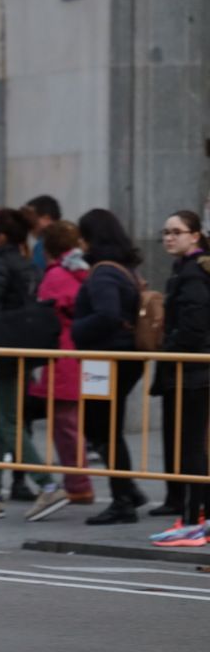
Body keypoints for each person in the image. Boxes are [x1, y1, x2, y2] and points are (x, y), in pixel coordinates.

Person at [0, 208, 69, 521]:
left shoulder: (0, 265)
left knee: (5, 420)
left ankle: (47, 485)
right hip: (17, 349)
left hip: (1, 350)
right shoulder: (27, 265)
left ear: (1, 235)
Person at [72, 208, 149, 525]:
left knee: (103, 427)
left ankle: (123, 498)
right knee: (102, 426)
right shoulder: (124, 269)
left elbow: (107, 314)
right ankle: (127, 490)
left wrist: (76, 329)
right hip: (118, 358)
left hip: (107, 360)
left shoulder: (103, 273)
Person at [148, 210, 210, 547]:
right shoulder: (188, 269)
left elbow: (194, 326)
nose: (169, 237)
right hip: (192, 370)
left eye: (177, 232)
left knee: (191, 449)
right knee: (193, 446)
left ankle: (191, 521)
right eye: (166, 231)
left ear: (195, 236)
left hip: (193, 371)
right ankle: (200, 519)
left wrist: (169, 349)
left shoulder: (193, 274)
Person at [24, 221, 94, 505]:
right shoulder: (80, 272)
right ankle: (77, 481)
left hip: (60, 357)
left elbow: (45, 316)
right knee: (71, 422)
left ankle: (78, 484)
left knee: (64, 425)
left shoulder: (55, 277)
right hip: (77, 354)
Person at [24, 195, 61, 273]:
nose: (28, 224)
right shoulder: (70, 241)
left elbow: (35, 276)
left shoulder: (44, 245)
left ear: (46, 219)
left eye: (31, 218)